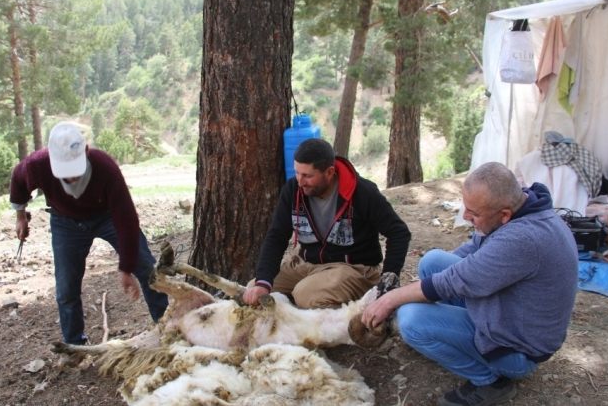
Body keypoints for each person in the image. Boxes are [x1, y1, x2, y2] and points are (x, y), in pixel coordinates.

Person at [362, 162, 578, 406]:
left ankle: (490, 382)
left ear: (504, 215)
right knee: (432, 262)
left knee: (411, 320)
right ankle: (446, 334)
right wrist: (418, 289)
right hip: (510, 313)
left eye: (473, 214)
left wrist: (389, 299)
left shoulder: (522, 239)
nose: (465, 217)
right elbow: (472, 252)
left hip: (516, 349)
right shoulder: (523, 209)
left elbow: (455, 281)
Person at [9, 122, 168, 345]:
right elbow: (18, 180)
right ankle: (75, 345)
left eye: (75, 171)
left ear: (85, 152)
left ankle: (168, 326)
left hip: (106, 216)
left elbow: (127, 220)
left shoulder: (104, 167)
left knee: (146, 266)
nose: (72, 179)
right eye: (65, 173)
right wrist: (20, 215)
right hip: (65, 222)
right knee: (66, 287)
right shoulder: (37, 164)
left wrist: (125, 267)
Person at [242, 138, 411, 309]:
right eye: (297, 173)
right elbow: (276, 236)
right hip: (306, 264)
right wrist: (263, 283)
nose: (300, 181)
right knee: (254, 290)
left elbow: (398, 232)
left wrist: (389, 278)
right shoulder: (293, 190)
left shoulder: (362, 192)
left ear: (329, 173)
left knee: (305, 295)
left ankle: (349, 319)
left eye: (307, 175)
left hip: (354, 268)